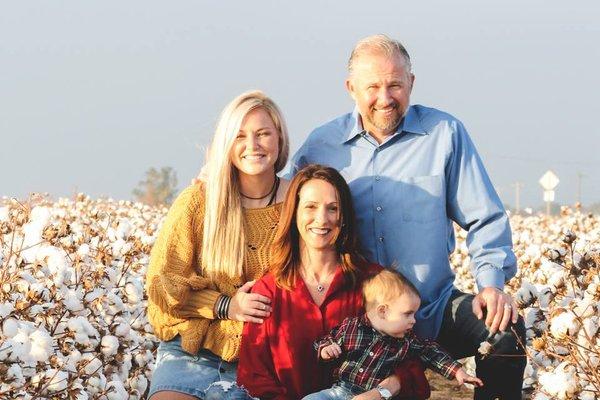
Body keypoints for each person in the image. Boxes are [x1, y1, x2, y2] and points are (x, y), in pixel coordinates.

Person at [290, 34, 526, 400]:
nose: (385, 99)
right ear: (351, 88)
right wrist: (220, 180)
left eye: (395, 85)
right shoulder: (322, 145)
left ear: (411, 83)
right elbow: (282, 203)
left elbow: (485, 217)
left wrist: (491, 285)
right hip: (356, 324)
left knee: (504, 331)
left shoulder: (444, 134)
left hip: (430, 310)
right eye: (373, 87)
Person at [224, 165, 430, 400]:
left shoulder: (375, 283)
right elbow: (254, 377)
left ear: (344, 218)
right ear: (294, 213)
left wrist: (383, 391)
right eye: (310, 207)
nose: (322, 219)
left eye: (333, 208)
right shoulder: (268, 290)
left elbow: (412, 365)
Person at [145, 90, 291, 400]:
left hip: (265, 358)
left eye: (263, 133)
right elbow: (162, 284)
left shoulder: (299, 203)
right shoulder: (200, 201)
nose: (252, 145)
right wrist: (226, 306)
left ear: (279, 138)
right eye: (239, 136)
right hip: (193, 350)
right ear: (226, 143)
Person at [303, 269, 483, 400]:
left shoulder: (407, 341)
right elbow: (325, 340)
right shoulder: (351, 327)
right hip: (339, 391)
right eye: (407, 314)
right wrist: (327, 348)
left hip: (377, 396)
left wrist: (458, 371)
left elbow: (432, 352)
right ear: (383, 311)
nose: (414, 320)